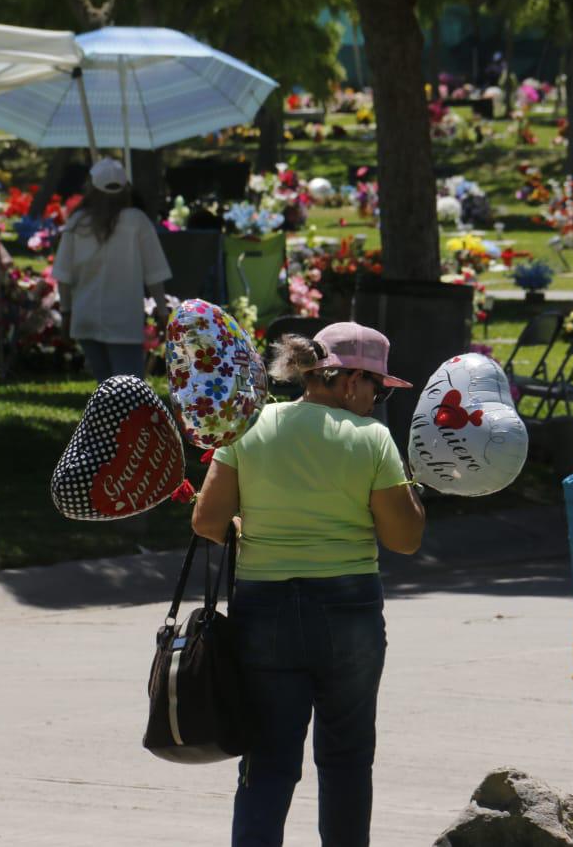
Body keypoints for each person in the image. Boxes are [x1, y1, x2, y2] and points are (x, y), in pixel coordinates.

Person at [191, 322, 426, 847]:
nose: (378, 398)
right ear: (348, 381)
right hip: (349, 610)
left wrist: (248, 526)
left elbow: (208, 522)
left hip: (263, 608)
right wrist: (413, 487)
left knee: (268, 759)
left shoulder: (248, 426)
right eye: (377, 386)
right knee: (346, 758)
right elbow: (405, 539)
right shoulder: (372, 440)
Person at [51, 158, 171, 383]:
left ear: (91, 187)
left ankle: (107, 418)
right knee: (130, 389)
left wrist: (66, 313)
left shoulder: (78, 222)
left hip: (86, 315)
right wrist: (163, 312)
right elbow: (155, 273)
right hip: (123, 319)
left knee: (104, 386)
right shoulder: (137, 222)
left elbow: (63, 276)